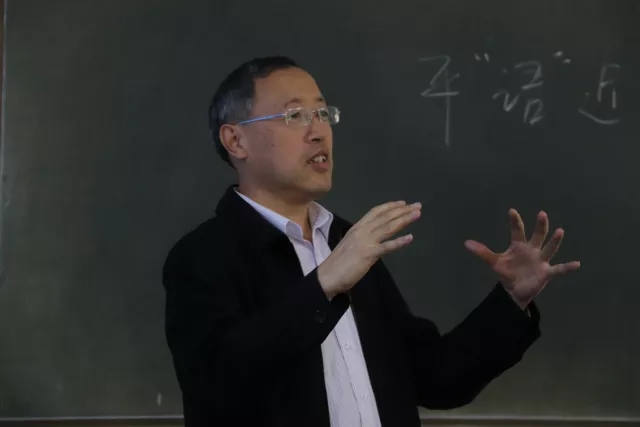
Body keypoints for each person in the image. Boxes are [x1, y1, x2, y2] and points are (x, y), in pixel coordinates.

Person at [162, 56, 581, 427]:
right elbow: (217, 384)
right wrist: (323, 285)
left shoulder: (348, 241)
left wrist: (511, 300)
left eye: (323, 113)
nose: (318, 131)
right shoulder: (201, 256)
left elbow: (434, 379)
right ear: (236, 141)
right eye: (294, 116)